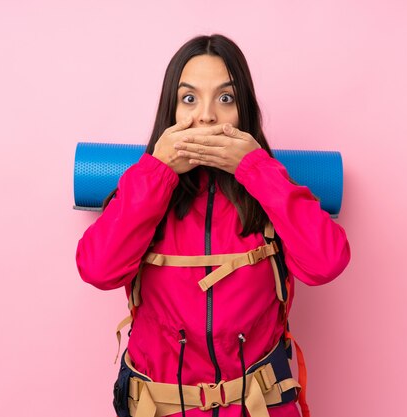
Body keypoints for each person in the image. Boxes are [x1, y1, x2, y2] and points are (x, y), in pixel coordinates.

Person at [76, 34, 350, 417]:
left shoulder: (268, 187)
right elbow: (98, 269)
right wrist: (157, 172)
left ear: (244, 112)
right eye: (189, 99)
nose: (206, 116)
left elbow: (327, 263)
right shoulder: (145, 185)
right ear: (170, 111)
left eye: (226, 99)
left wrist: (255, 168)